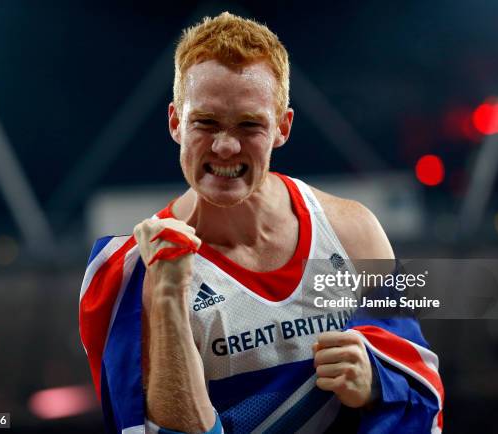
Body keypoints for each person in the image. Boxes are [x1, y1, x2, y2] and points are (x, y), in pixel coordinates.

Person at [79, 12, 443, 434]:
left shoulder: (354, 230)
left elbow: (422, 380)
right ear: (176, 122)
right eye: (206, 122)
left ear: (282, 128)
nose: (226, 146)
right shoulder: (132, 271)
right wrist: (167, 301)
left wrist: (380, 380)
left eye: (250, 125)